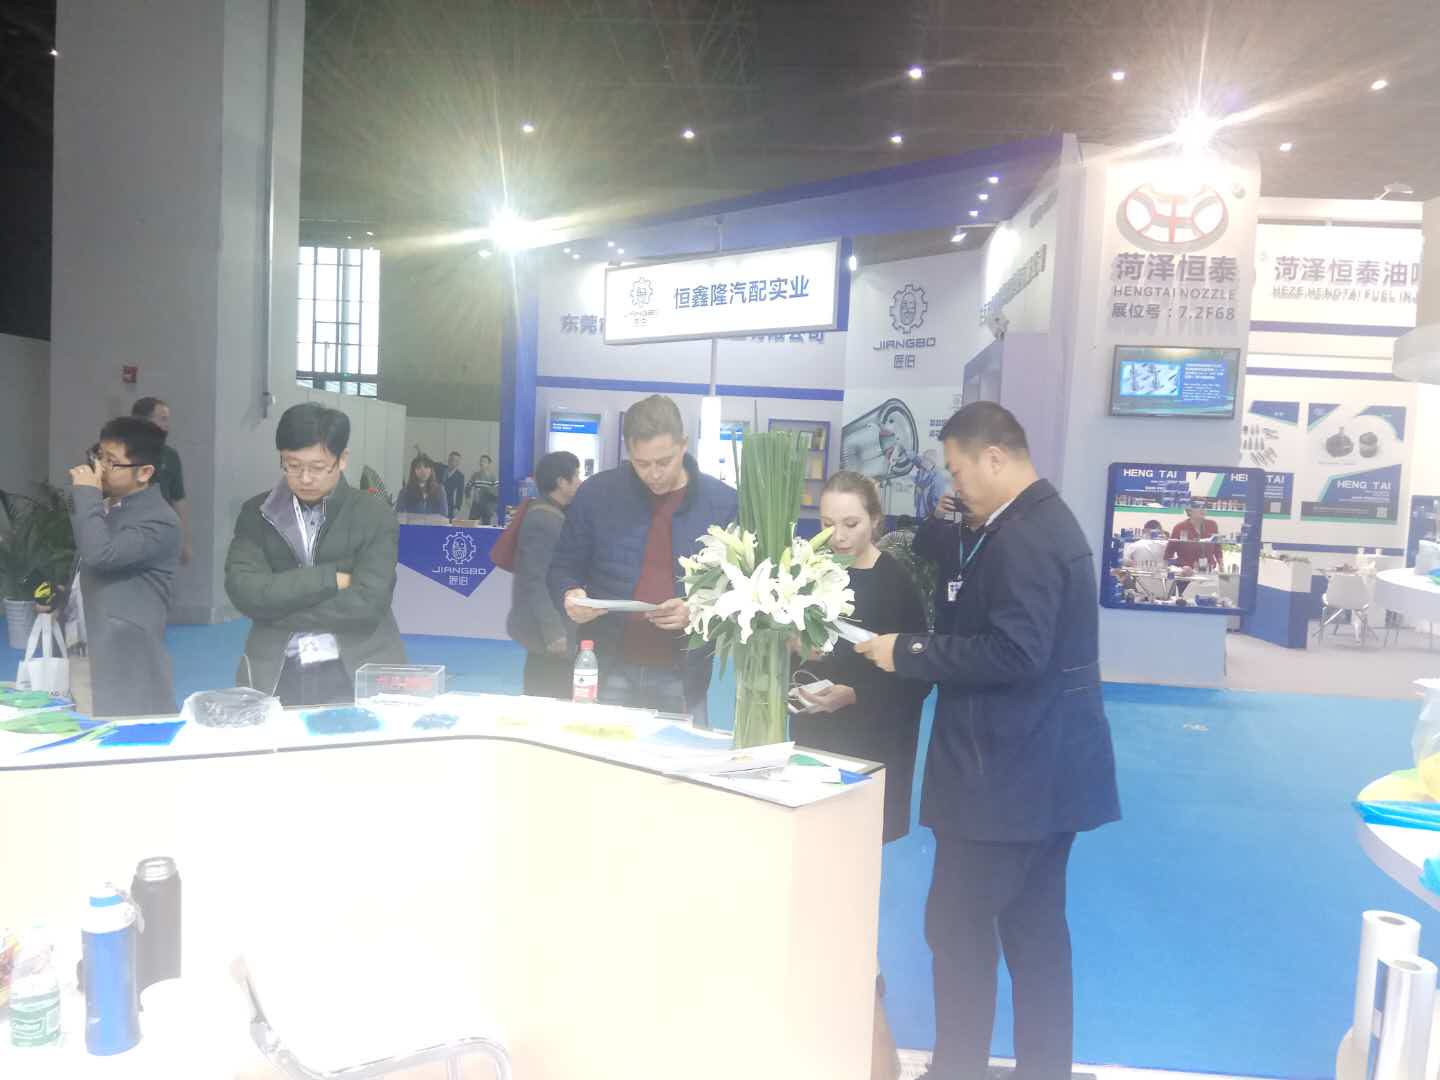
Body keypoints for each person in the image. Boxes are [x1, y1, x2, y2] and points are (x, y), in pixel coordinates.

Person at [855, 402, 1121, 1080]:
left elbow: (1015, 652)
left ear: (994, 458)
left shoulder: (1025, 539)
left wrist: (909, 650)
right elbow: (961, 569)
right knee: (1035, 934)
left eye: (958, 470)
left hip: (1004, 777)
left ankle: (958, 1069)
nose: (955, 483)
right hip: (1039, 773)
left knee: (958, 928)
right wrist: (950, 519)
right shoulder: (1024, 523)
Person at [793, 471, 930, 1080]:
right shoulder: (808, 571)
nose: (839, 536)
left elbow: (917, 677)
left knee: (853, 882)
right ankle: (815, 986)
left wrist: (855, 693)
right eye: (827, 524)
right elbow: (793, 645)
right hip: (812, 740)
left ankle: (861, 996)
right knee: (810, 870)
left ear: (875, 519)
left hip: (870, 750)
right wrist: (795, 652)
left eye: (851, 523)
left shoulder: (896, 584)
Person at [548, 394, 737, 723]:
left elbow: (738, 589)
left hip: (683, 672)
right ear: (628, 452)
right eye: (642, 464)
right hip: (607, 663)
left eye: (664, 461)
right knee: (597, 750)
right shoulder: (597, 494)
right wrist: (569, 594)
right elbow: (563, 566)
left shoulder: (721, 504)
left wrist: (699, 610)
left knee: (678, 755)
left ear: (683, 445)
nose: (654, 474)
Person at [224, 403, 406, 706]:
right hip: (277, 670)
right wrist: (331, 579)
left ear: (342, 459)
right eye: (292, 465)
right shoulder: (257, 514)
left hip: (357, 666)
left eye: (318, 467)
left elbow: (368, 604)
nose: (305, 478)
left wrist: (275, 608)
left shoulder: (373, 514)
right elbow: (244, 592)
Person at [67, 417, 181, 717]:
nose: (101, 467)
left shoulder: (159, 520)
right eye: (99, 456)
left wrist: (87, 495)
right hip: (94, 639)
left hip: (128, 651)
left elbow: (100, 554)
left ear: (144, 472)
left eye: (112, 461)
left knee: (128, 730)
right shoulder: (111, 504)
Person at [507, 451, 583, 699]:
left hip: (551, 626)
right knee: (546, 696)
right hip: (547, 631)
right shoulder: (543, 519)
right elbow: (533, 580)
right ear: (562, 482)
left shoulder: (553, 512)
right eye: (576, 476)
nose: (580, 481)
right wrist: (554, 631)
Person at [131, 396, 192, 565]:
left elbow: (178, 500)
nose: (167, 426)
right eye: (162, 419)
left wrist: (185, 541)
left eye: (167, 420)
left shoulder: (170, 456)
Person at [1165, 498, 1223, 570]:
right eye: (1198, 507)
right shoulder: (1179, 527)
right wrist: (1168, 569)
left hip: (1208, 569)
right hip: (1186, 570)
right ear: (1189, 511)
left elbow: (1217, 548)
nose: (1203, 509)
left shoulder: (1212, 525)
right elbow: (1169, 552)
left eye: (1204, 507)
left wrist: (1221, 565)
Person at [468, 454, 499, 524]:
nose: (482, 463)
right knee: (471, 524)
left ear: (489, 464)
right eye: (481, 461)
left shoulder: (493, 477)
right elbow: (468, 487)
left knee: (486, 525)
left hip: (487, 506)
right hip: (476, 504)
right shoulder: (475, 475)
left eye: (484, 461)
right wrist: (468, 498)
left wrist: (493, 507)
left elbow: (497, 493)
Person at [443, 451, 467, 519]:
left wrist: (457, 507)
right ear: (448, 460)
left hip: (449, 504)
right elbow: (430, 462)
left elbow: (460, 493)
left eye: (456, 461)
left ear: (458, 463)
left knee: (448, 522)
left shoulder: (460, 476)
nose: (453, 462)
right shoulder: (441, 468)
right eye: (451, 459)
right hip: (435, 503)